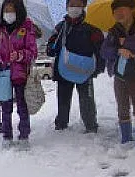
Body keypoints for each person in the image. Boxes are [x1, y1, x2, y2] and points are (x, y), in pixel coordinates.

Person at [101, 0, 135, 147]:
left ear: (132, 9)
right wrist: (118, 50)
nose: (119, 13)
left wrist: (126, 42)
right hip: (120, 74)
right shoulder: (113, 30)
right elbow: (104, 51)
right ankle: (125, 138)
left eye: (122, 9)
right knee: (122, 106)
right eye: (115, 11)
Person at [46, 0, 104, 133]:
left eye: (78, 5)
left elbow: (100, 50)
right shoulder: (60, 27)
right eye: (72, 5)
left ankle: (91, 125)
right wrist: (52, 47)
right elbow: (51, 48)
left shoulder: (92, 29)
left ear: (83, 7)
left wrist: (98, 68)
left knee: (87, 99)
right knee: (63, 99)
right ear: (66, 7)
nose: (75, 8)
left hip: (85, 71)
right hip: (63, 70)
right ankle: (61, 124)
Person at [0, 0, 38, 144]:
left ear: (18, 11)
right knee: (5, 108)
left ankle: (24, 135)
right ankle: (6, 136)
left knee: (22, 106)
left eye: (11, 10)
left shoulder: (27, 28)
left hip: (20, 73)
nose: (8, 13)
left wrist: (19, 55)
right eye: (6, 10)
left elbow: (33, 52)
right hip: (3, 74)